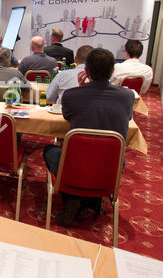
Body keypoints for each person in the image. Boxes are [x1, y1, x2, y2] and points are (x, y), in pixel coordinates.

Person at [43, 48, 134, 227]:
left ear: (86, 71)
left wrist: (80, 89)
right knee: (101, 160)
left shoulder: (71, 96)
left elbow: (68, 116)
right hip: (111, 166)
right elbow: (127, 117)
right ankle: (89, 201)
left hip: (76, 165)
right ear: (113, 71)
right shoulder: (127, 96)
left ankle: (74, 199)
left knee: (49, 151)